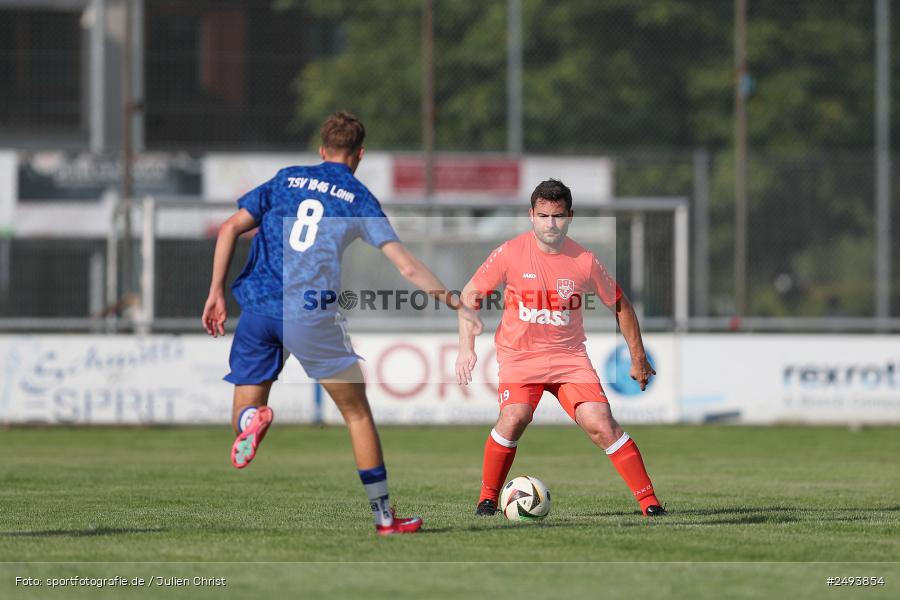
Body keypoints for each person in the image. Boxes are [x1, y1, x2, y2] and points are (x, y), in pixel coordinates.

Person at [202, 111, 481, 535]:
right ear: (359, 154)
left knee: (246, 406)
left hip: (258, 308)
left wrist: (216, 292)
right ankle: (385, 519)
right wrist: (455, 301)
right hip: (310, 312)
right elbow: (405, 268)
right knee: (357, 415)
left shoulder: (286, 179)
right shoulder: (357, 197)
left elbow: (229, 228)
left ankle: (250, 424)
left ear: (321, 149)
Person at [455, 178, 666, 517]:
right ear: (531, 215)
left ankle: (650, 503)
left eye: (557, 216)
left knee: (602, 424)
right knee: (515, 416)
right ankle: (488, 498)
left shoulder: (584, 260)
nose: (550, 224)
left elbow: (620, 304)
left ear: (570, 216)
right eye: (543, 216)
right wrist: (467, 347)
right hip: (520, 357)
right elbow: (469, 294)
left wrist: (637, 356)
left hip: (569, 359)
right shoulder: (510, 252)